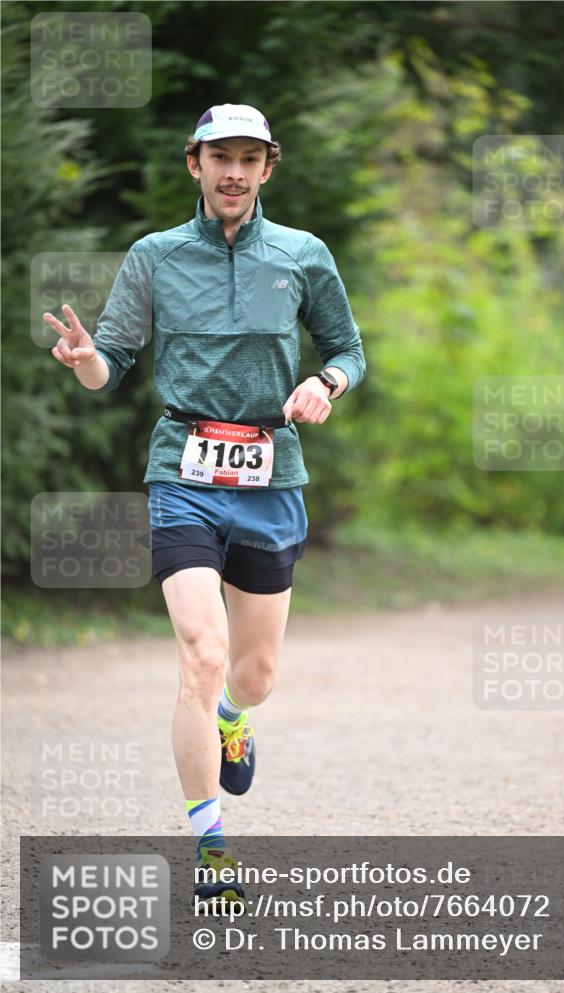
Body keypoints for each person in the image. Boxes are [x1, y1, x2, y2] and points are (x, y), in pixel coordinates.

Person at [43, 103, 366, 909]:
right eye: (218, 155)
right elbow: (109, 362)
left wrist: (325, 384)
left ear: (267, 168)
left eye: (248, 158)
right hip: (182, 472)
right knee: (200, 651)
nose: (232, 171)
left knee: (253, 675)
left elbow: (348, 350)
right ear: (194, 164)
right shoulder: (155, 257)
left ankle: (233, 717)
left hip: (270, 473)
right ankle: (211, 845)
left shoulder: (301, 254)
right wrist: (85, 360)